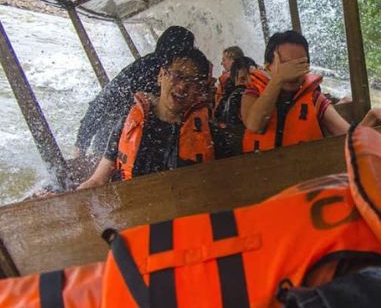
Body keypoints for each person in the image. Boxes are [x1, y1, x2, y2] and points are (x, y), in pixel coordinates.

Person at [77, 47, 220, 189]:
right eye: (177, 76)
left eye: (192, 81)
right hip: (133, 206)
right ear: (161, 76)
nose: (182, 87)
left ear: (200, 89)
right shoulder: (127, 123)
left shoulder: (210, 132)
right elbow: (98, 181)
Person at [240, 31, 381, 153]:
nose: (293, 71)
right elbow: (255, 125)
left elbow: (352, 139)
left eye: (300, 64)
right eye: (286, 64)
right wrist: (279, 79)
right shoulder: (252, 92)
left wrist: (372, 116)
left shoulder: (315, 99)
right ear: (268, 67)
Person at [70, 26, 194, 167]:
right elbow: (102, 103)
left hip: (142, 137)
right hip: (114, 137)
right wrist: (81, 144)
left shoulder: (178, 77)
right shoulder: (143, 69)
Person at [213, 56, 258, 150]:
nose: (249, 82)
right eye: (243, 79)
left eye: (253, 78)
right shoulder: (238, 94)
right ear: (234, 81)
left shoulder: (225, 99)